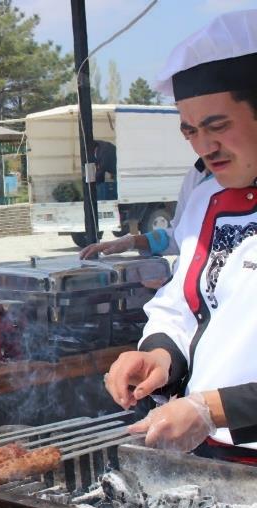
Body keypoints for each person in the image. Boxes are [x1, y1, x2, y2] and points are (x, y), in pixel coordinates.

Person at [104, 10, 257, 463]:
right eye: (190, 130)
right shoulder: (206, 197)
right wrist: (160, 356)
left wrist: (211, 409)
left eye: (217, 126)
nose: (203, 147)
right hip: (210, 452)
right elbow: (185, 306)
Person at [79, 159, 212, 259]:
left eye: (218, 127)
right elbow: (179, 236)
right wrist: (132, 242)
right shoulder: (195, 175)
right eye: (191, 133)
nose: (205, 144)